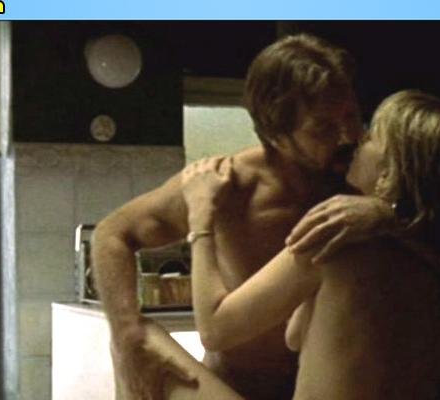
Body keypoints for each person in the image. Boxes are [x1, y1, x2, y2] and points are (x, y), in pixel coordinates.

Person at [91, 34, 393, 400]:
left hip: (317, 388)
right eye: (323, 128)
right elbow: (111, 234)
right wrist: (125, 334)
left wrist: (385, 212)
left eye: (352, 116)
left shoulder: (362, 184)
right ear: (276, 133)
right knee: (138, 342)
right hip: (233, 387)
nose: (348, 136)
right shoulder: (227, 186)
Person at [177, 89, 440, 399]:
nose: (356, 141)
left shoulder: (335, 239)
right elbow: (298, 336)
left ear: (389, 171)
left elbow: (215, 330)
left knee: (157, 351)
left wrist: (200, 219)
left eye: (370, 137)